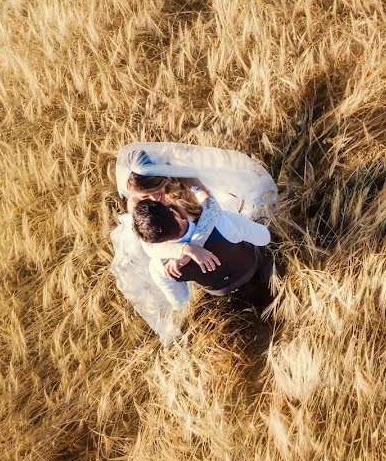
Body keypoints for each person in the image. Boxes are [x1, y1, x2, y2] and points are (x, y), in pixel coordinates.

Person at [110, 142, 278, 344]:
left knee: (228, 228)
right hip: (168, 233)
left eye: (157, 190)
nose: (155, 199)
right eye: (146, 196)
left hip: (197, 221)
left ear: (163, 176)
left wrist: (194, 246)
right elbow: (150, 245)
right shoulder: (135, 204)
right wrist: (185, 249)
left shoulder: (183, 176)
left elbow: (212, 209)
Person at [131, 199, 271, 311]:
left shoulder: (160, 266)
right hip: (250, 266)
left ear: (155, 242)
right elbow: (264, 237)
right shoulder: (219, 222)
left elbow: (180, 301)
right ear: (174, 212)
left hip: (220, 290)